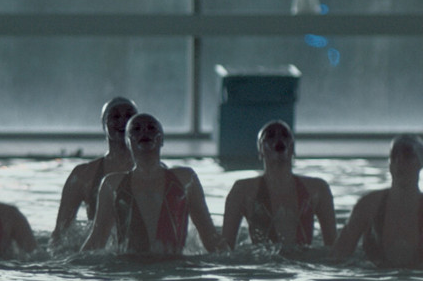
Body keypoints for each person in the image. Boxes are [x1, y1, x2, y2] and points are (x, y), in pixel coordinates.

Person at [81, 113, 225, 256]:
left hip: (173, 267)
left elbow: (209, 236)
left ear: (161, 140)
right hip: (128, 268)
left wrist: (231, 261)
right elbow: (97, 239)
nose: (144, 131)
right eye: (136, 129)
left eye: (151, 128)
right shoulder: (112, 184)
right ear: (128, 142)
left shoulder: (186, 179)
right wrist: (73, 264)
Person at [219, 121, 336, 249]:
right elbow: (225, 249)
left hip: (303, 260)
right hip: (262, 261)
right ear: (260, 150)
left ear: (292, 148)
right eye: (270, 136)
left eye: (285, 135)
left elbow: (334, 248)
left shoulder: (318, 189)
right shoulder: (242, 191)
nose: (278, 139)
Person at [51, 97, 138, 246]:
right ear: (104, 124)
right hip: (99, 252)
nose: (123, 121)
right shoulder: (83, 175)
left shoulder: (157, 172)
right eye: (115, 116)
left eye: (129, 116)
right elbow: (60, 233)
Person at [332, 135, 423, 267]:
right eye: (395, 157)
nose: (400, 162)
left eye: (407, 157)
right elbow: (337, 257)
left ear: (420, 163)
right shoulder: (368, 205)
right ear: (390, 164)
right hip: (375, 278)